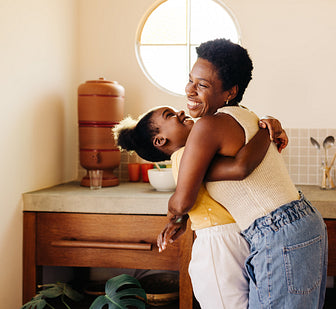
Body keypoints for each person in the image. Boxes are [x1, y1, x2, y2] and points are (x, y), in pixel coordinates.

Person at [157, 38, 328, 308]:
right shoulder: (246, 115)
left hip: (278, 230)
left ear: (230, 91)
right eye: (191, 80)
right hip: (300, 221)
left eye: (202, 85)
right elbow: (237, 167)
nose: (189, 90)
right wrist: (270, 126)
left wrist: (173, 215)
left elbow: (184, 200)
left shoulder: (208, 126)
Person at [114, 106, 286, 309]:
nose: (179, 113)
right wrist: (266, 131)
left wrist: (181, 218)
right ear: (160, 140)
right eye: (169, 115)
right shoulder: (183, 156)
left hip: (230, 239)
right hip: (217, 244)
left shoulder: (197, 154)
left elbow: (203, 192)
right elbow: (239, 169)